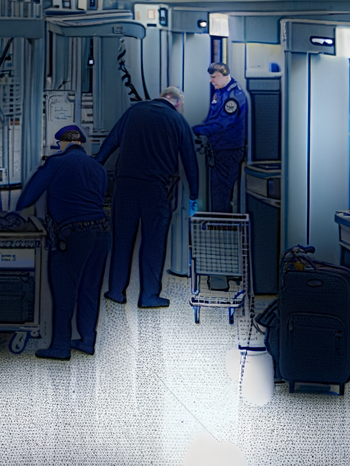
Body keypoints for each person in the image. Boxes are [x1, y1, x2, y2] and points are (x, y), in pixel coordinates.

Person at [95, 87, 198, 308]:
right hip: (156, 189)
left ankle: (115, 291)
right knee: (153, 242)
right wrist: (194, 195)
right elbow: (190, 160)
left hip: (125, 187)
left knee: (121, 240)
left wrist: (94, 168)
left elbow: (111, 142)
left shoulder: (133, 111)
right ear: (177, 103)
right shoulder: (178, 121)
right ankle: (149, 296)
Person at [14, 124, 109, 361]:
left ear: (62, 143)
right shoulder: (98, 168)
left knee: (64, 290)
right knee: (90, 289)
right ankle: (87, 340)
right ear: (81, 143)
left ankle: (60, 347)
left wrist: (17, 212)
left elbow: (28, 197)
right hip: (101, 233)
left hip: (72, 235)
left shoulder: (55, 163)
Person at [193, 62, 248, 214]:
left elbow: (222, 124)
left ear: (225, 76)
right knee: (216, 189)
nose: (211, 81)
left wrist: (196, 130)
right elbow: (211, 118)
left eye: (214, 77)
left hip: (228, 150)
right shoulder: (220, 92)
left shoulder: (234, 96)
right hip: (219, 149)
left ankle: (222, 229)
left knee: (222, 190)